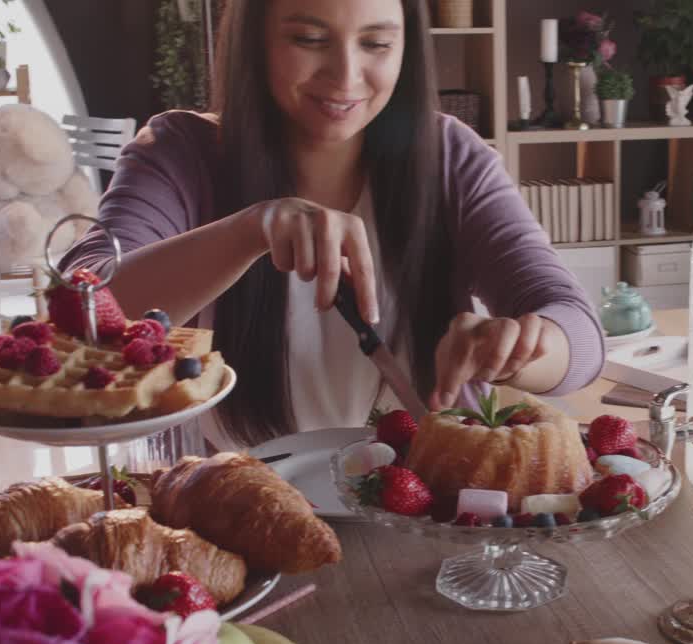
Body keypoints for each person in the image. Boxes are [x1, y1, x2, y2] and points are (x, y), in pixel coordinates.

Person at [61, 0, 603, 449]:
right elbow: (75, 320)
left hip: (420, 507)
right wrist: (249, 230)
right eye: (310, 40)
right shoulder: (181, 154)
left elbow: (577, 335)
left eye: (376, 44)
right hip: (231, 505)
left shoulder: (450, 158)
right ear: (256, 42)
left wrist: (517, 349)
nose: (346, 77)